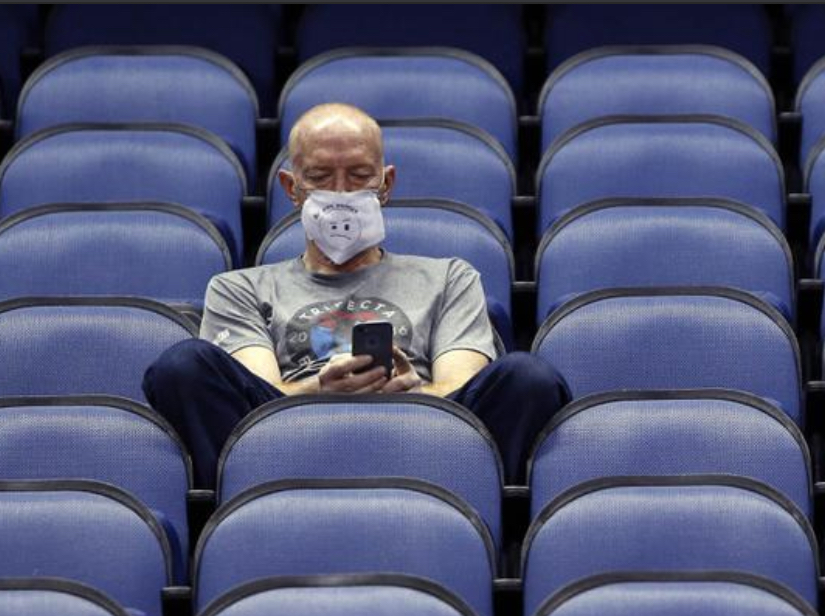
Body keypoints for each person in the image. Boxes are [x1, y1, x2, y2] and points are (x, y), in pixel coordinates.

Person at [142, 102, 570, 486]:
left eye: (360, 176)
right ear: (292, 188)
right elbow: (262, 392)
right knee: (184, 365)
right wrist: (318, 391)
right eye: (321, 178)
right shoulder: (240, 288)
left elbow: (460, 382)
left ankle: (464, 496)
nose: (342, 194)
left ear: (386, 184)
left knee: (526, 377)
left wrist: (414, 392)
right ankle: (250, 490)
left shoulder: (449, 277)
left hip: (423, 436)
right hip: (288, 438)